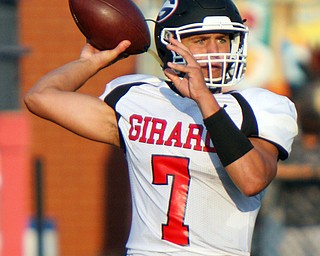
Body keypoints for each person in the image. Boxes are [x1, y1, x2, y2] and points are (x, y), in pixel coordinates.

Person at [24, 0, 298, 255]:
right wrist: (89, 63)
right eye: (201, 40)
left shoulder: (257, 107)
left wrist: (204, 99)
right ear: (171, 44)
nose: (215, 51)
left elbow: (252, 180)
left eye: (222, 39)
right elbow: (40, 98)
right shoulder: (139, 98)